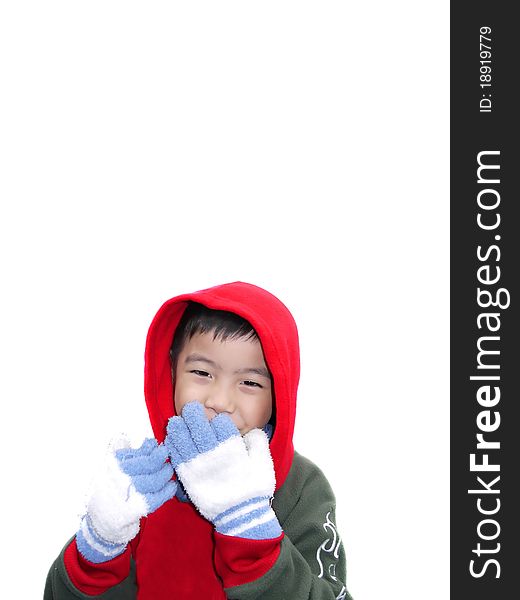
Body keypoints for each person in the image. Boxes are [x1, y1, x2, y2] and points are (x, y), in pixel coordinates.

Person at [44, 281, 353, 599]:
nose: (219, 400)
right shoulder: (143, 482)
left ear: (279, 396)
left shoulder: (300, 487)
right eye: (202, 373)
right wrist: (100, 545)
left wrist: (248, 525)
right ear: (172, 373)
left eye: (249, 382)